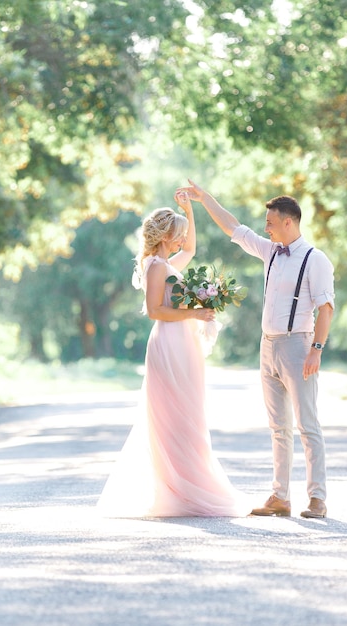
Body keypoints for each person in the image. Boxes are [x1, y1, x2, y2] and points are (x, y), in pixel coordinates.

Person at [178, 180, 335, 519]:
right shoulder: (269, 252)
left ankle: (317, 498)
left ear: (288, 222)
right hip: (268, 348)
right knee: (278, 427)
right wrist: (205, 199)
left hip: (298, 346)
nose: (266, 228)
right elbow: (233, 227)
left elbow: (326, 308)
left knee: (307, 425)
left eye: (271, 222)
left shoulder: (315, 259)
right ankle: (280, 497)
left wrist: (316, 350)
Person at [97, 191, 248, 517]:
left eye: (181, 234)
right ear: (165, 237)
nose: (182, 240)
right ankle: (178, 489)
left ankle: (189, 484)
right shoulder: (155, 267)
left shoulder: (167, 264)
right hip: (168, 343)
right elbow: (155, 310)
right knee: (172, 415)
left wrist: (189, 210)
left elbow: (192, 249)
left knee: (190, 413)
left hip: (185, 344)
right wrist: (194, 314)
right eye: (177, 235)